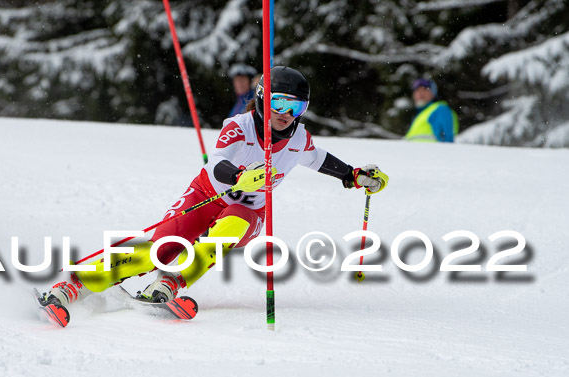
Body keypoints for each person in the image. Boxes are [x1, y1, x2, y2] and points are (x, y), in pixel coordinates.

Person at [37, 66, 389, 326]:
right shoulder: (239, 125)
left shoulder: (298, 139)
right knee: (161, 247)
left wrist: (355, 176)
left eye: (296, 108)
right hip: (207, 194)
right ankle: (74, 285)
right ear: (263, 98)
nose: (286, 115)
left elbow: (320, 159)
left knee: (227, 231)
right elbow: (217, 162)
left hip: (247, 210)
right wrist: (240, 176)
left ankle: (170, 284)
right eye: (280, 103)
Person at [404, 78, 458, 143]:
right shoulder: (421, 114)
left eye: (424, 89)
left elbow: (447, 141)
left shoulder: (440, 110)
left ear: (433, 93)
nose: (421, 93)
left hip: (430, 152)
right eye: (417, 90)